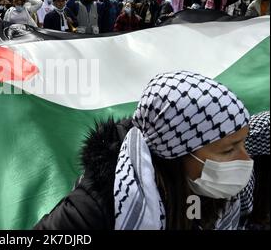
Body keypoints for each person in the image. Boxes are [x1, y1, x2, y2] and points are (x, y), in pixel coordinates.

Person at [34, 71, 267, 230]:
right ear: (177, 153)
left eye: (243, 144)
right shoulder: (92, 210)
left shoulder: (207, 190)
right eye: (228, 151)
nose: (246, 159)